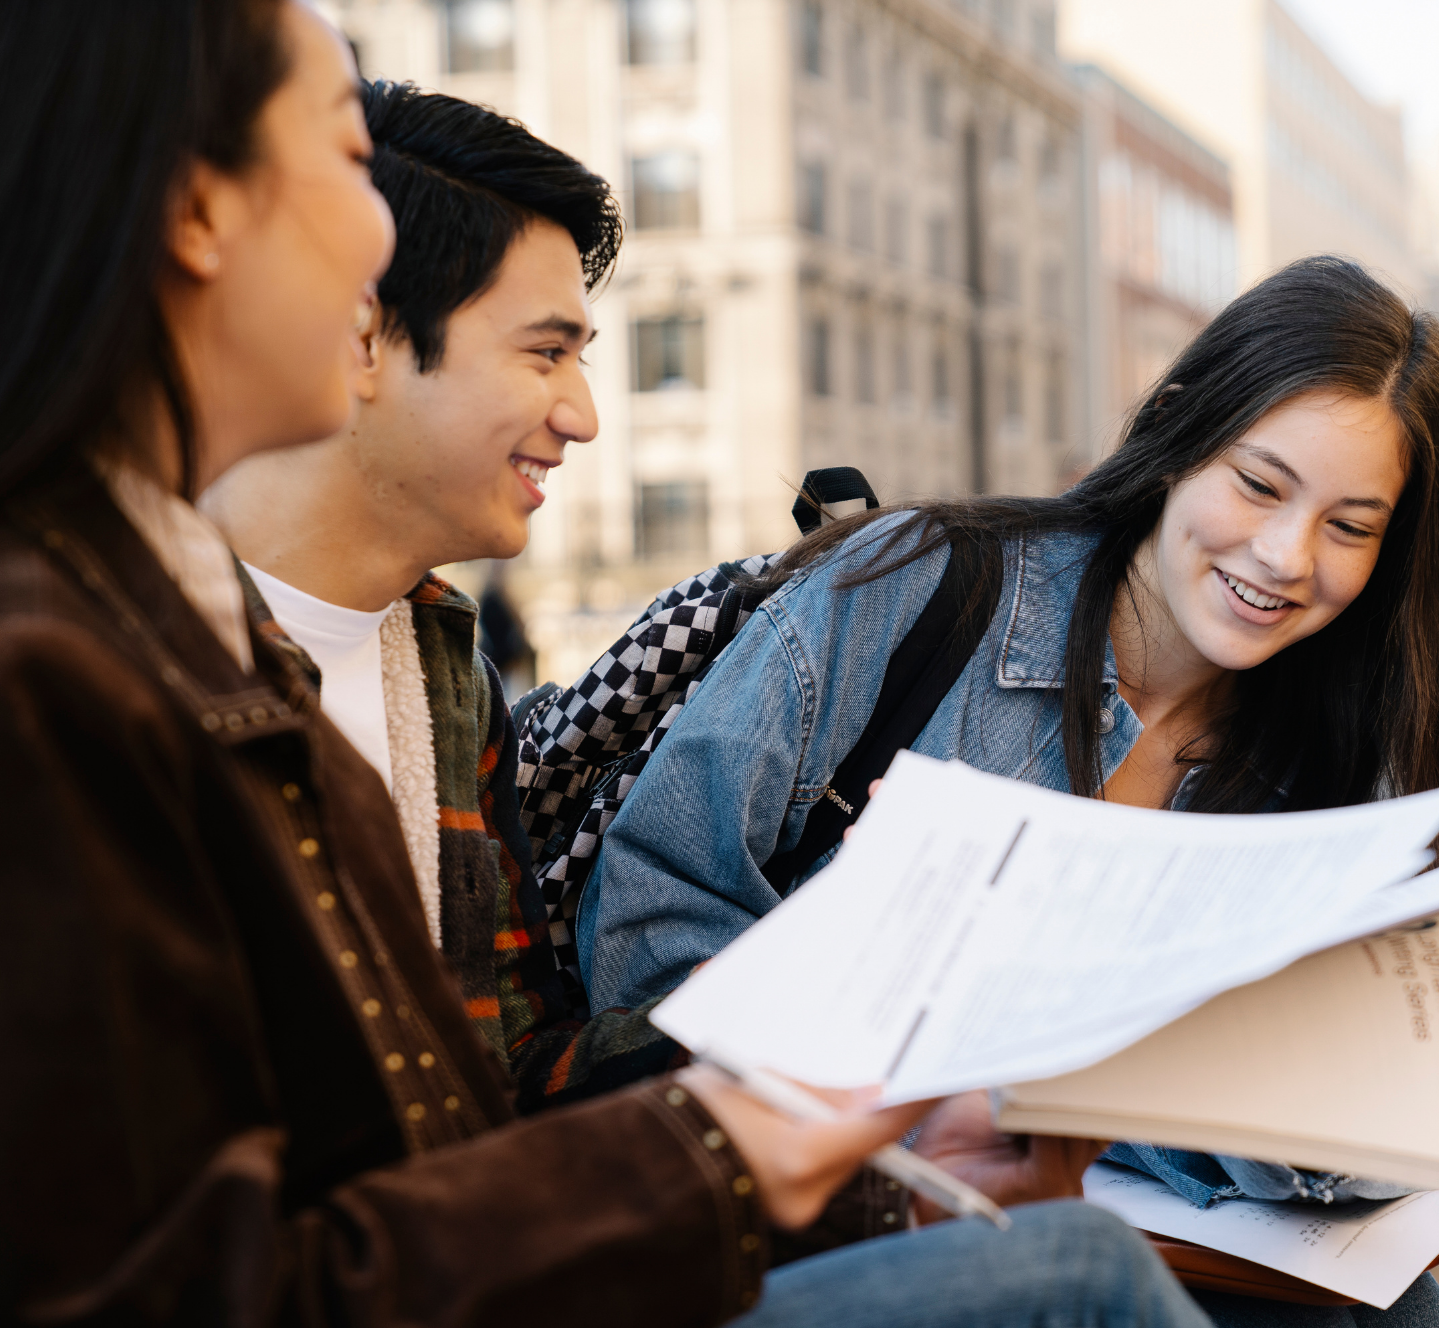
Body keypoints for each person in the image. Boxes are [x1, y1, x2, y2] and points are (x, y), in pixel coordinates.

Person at [0, 3, 1220, 1324]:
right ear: (196, 212)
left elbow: (494, 1102)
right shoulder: (66, 673)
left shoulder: (379, 657)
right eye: (348, 159)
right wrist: (729, 1145)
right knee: (1081, 1280)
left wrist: (851, 1149)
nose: (374, 237)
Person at [576, 255, 1439, 1326]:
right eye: (1258, 483)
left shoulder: (1334, 757)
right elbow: (644, 930)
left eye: (1350, 525)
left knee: (1389, 1312)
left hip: (1145, 1231)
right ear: (1177, 431)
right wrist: (910, 1085)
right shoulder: (912, 588)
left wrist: (1112, 1096)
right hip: (822, 1212)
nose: (1287, 554)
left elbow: (1377, 1131)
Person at [201, 79, 671, 1113]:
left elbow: (505, 1066)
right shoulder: (126, 640)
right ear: (365, 334)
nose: (582, 415)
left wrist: (789, 989)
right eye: (547, 352)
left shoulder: (446, 665)